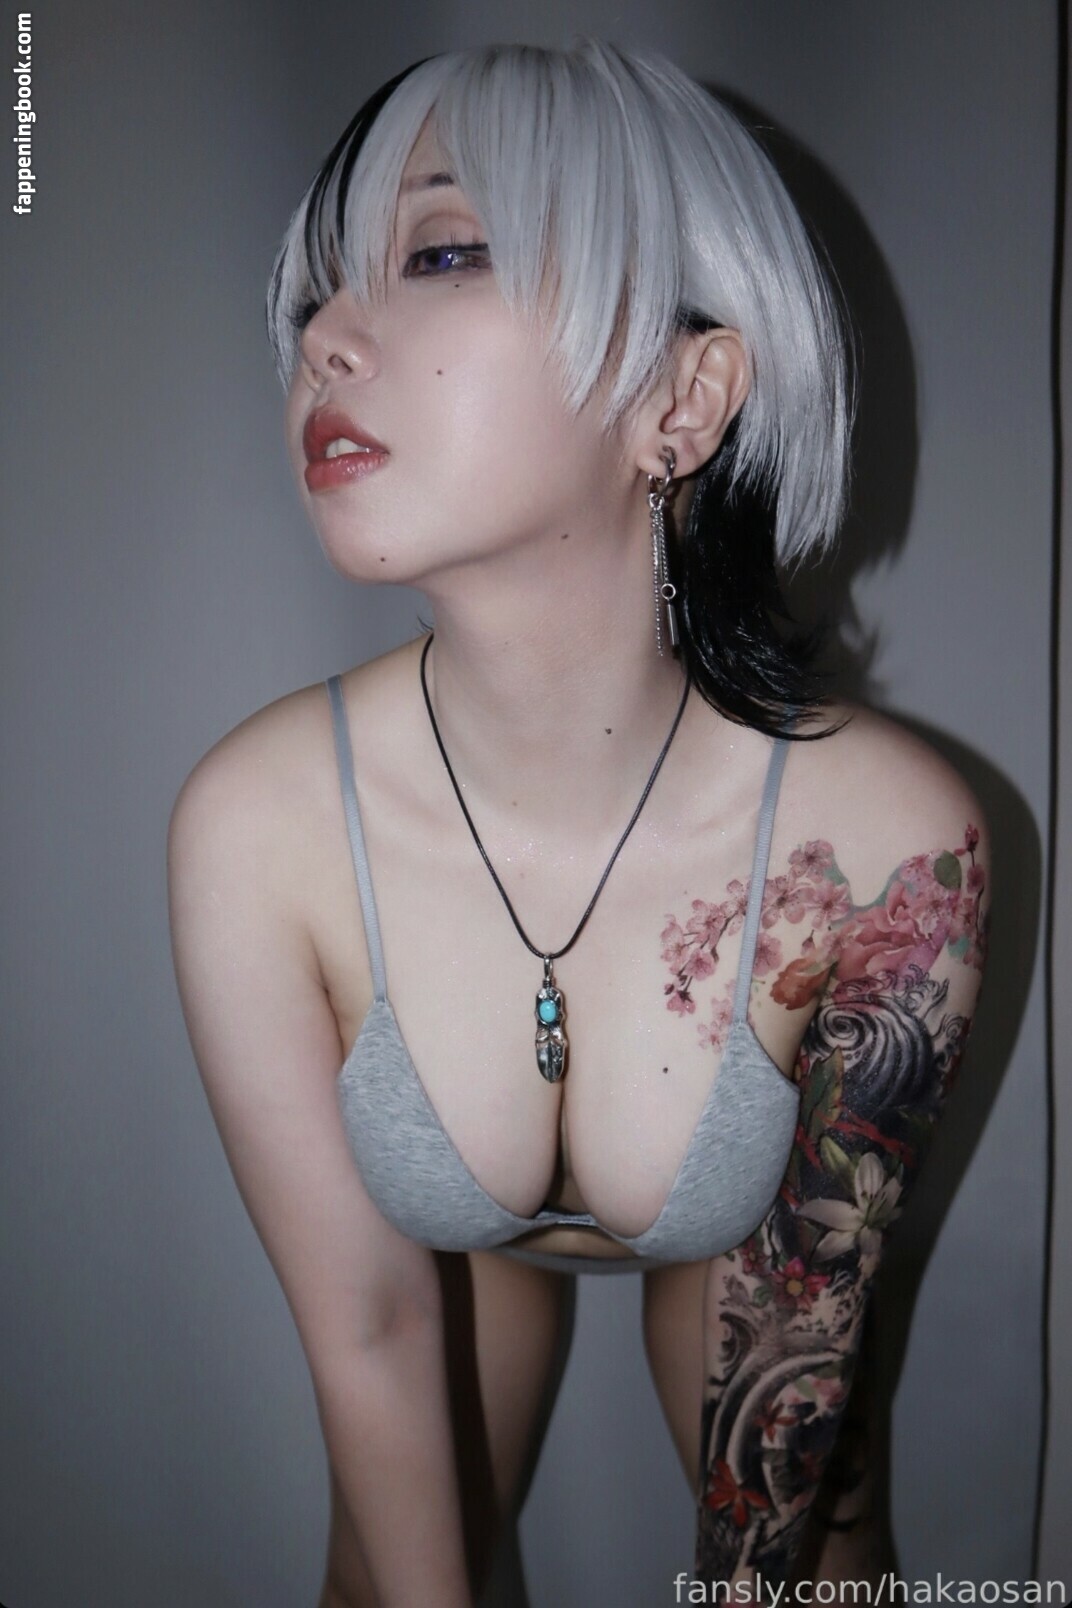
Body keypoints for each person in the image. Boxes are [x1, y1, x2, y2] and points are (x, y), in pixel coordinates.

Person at [167, 37, 990, 1607]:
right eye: (320, 293)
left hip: (751, 1275)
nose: (325, 337)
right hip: (455, 1281)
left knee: (821, 1557)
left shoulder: (890, 846)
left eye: (442, 252)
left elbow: (796, 1336)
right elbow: (370, 1329)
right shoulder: (256, 824)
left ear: (683, 400)